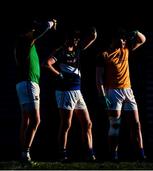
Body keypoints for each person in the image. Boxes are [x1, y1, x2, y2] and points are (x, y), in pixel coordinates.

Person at [43, 26, 97, 162]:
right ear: (69, 39)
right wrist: (59, 74)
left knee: (88, 123)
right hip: (65, 92)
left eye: (78, 39)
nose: (78, 41)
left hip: (77, 91)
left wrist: (93, 31)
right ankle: (63, 155)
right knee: (66, 124)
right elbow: (46, 63)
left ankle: (90, 154)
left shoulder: (78, 49)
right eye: (75, 39)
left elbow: (92, 37)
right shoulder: (61, 51)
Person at [96, 28, 146, 161]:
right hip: (113, 91)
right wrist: (102, 95)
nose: (124, 42)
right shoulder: (104, 54)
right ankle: (113, 155)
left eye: (125, 39)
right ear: (113, 39)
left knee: (136, 124)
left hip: (128, 90)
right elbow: (99, 78)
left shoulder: (126, 49)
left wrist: (135, 32)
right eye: (121, 39)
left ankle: (140, 155)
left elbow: (142, 39)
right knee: (115, 125)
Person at [14, 19, 57, 165]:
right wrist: (51, 22)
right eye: (33, 29)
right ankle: (25, 154)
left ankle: (23, 153)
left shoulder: (24, 42)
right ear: (28, 31)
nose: (34, 32)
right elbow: (44, 27)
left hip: (27, 83)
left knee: (26, 120)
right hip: (28, 83)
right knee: (36, 120)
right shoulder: (25, 40)